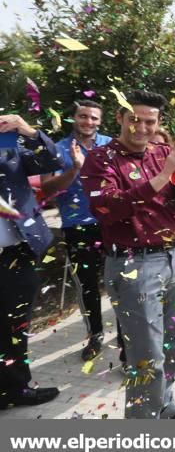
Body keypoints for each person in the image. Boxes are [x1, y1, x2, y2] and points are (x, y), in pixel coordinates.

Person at [82, 90, 175, 419]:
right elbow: (106, 208)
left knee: (173, 341)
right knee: (146, 355)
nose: (142, 127)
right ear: (120, 118)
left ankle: (165, 404)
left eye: (150, 121)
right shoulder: (101, 159)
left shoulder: (162, 152)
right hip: (133, 264)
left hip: (174, 258)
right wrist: (163, 174)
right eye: (134, 119)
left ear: (158, 123)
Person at [39, 100, 113, 362]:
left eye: (94, 118)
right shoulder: (56, 149)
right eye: (83, 117)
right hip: (77, 226)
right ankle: (95, 334)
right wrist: (75, 168)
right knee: (88, 284)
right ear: (74, 119)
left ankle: (127, 329)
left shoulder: (111, 144)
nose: (88, 122)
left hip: (112, 223)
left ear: (100, 121)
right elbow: (48, 191)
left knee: (121, 279)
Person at [0, 114, 62, 410]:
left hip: (15, 253)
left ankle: (15, 389)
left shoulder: (8, 147)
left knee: (15, 324)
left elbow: (51, 161)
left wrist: (27, 130)